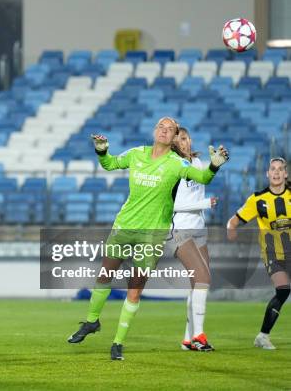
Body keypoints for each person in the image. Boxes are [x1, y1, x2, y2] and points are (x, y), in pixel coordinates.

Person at [67, 117, 229, 360]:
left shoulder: (177, 163)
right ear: (154, 131)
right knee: (104, 275)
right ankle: (91, 322)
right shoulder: (136, 153)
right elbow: (110, 164)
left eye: (170, 130)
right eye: (161, 127)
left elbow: (204, 177)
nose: (164, 132)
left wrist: (214, 165)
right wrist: (102, 151)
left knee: (134, 290)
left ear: (174, 137)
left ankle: (117, 343)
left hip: (151, 235)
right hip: (124, 225)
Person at [227, 157, 290, 350]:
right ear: (267, 174)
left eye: (280, 169)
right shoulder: (257, 199)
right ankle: (263, 336)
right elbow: (234, 220)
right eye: (273, 169)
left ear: (286, 174)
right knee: (283, 289)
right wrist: (231, 230)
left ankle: (262, 337)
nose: (277, 172)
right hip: (272, 253)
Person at [169, 127, 217, 352]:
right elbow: (174, 205)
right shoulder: (173, 165)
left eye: (187, 138)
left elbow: (205, 178)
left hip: (199, 229)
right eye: (180, 139)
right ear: (173, 143)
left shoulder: (197, 163)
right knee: (203, 277)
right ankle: (199, 335)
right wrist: (204, 204)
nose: (185, 142)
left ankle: (188, 339)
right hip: (181, 229)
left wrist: (216, 163)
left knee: (198, 284)